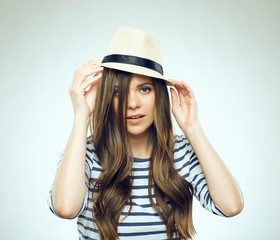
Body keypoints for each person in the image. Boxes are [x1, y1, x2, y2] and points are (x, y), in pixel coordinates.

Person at [47, 27, 244, 240]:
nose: (132, 104)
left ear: (159, 95)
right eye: (117, 92)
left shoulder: (181, 153)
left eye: (144, 89)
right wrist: (81, 117)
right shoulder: (86, 153)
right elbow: (65, 208)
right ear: (105, 98)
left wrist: (192, 127)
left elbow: (231, 206)